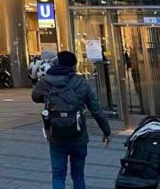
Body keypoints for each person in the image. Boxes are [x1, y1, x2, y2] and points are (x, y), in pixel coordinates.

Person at [31, 50, 111, 189]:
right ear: (74, 65)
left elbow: (35, 97)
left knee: (58, 175)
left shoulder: (47, 81)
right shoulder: (81, 83)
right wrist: (106, 131)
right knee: (78, 175)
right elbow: (96, 110)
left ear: (56, 63)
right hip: (78, 136)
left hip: (56, 135)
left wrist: (48, 98)